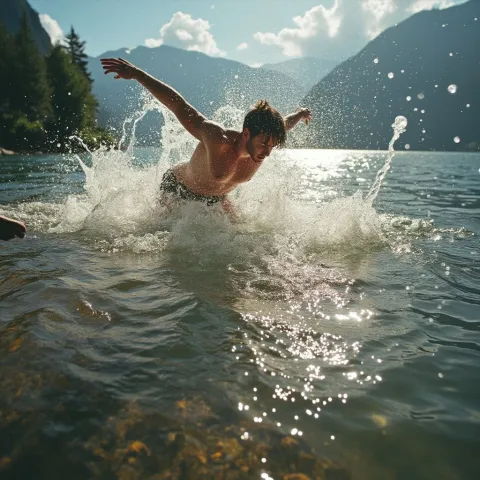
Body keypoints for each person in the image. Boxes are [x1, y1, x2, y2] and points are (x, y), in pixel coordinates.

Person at [100, 58, 312, 218]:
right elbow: (178, 105)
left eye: (272, 147)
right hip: (178, 188)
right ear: (247, 133)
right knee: (158, 234)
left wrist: (301, 113)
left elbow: (286, 123)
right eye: (264, 144)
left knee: (243, 237)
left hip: (217, 198)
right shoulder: (216, 137)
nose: (267, 152)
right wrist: (137, 74)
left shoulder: (268, 136)